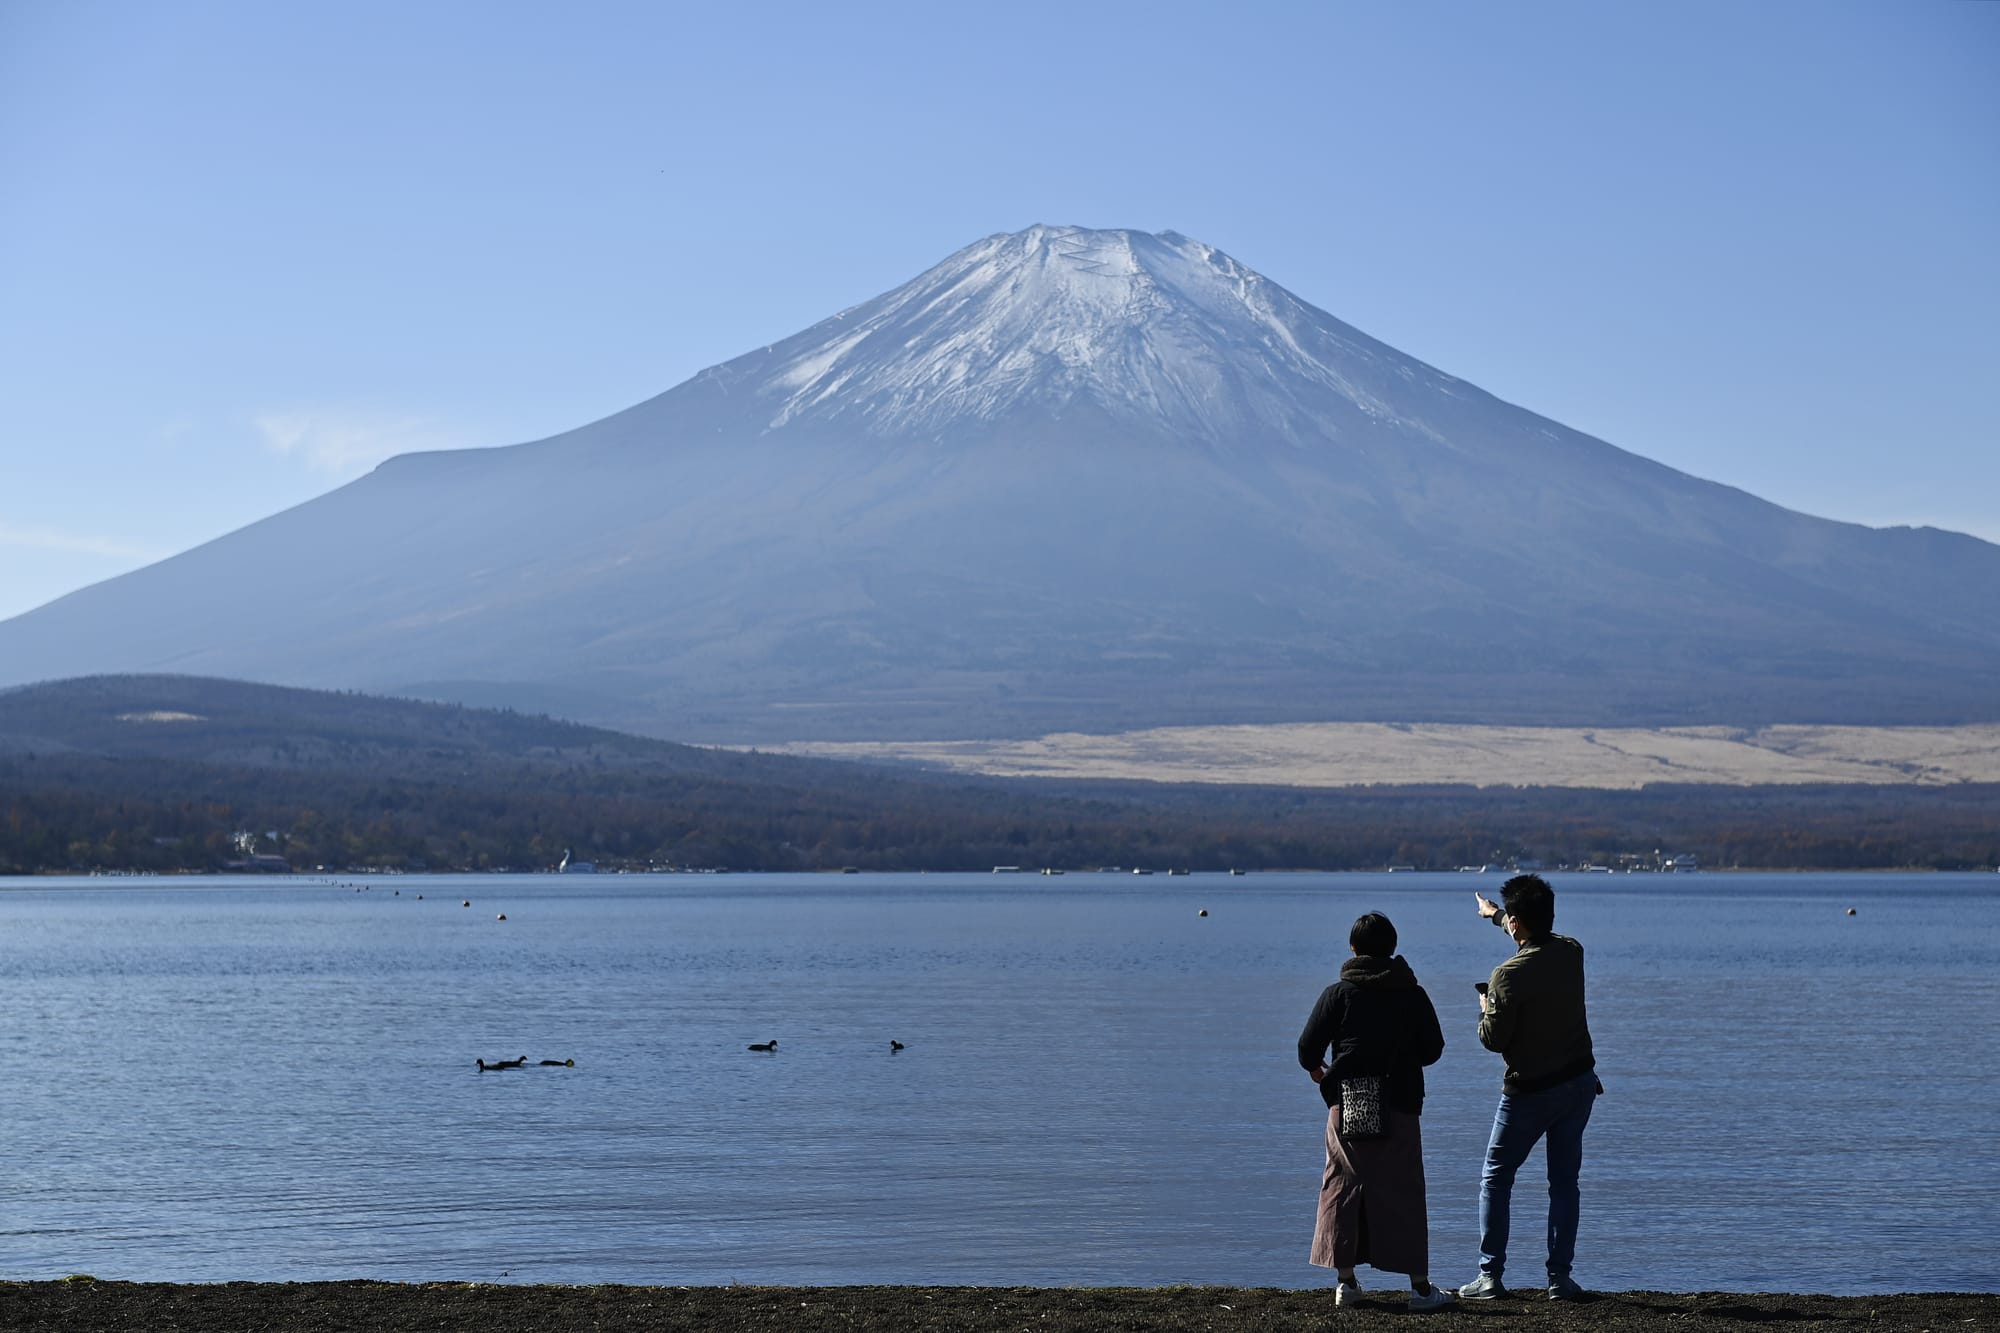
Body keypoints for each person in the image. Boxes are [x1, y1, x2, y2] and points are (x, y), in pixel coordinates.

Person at [1298, 912, 1454, 1311]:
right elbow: (1433, 1050)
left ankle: (1346, 1283)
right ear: (1393, 948)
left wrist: (1322, 1075)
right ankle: (1420, 1289)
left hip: (1349, 1099)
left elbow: (1307, 1049)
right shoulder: (1412, 993)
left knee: (1344, 1186)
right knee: (1403, 1190)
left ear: (1353, 949)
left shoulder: (1339, 993)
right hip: (1400, 1101)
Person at [1458, 874, 1600, 1302]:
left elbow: (1494, 1040)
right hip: (1578, 1085)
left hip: (1529, 1092)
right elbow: (1534, 937)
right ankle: (1559, 1279)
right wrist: (1496, 916)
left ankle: (1490, 1276)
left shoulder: (1505, 976)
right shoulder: (1572, 952)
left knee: (1496, 1179)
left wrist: (1485, 1009)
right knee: (1564, 1183)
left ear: (1519, 923)